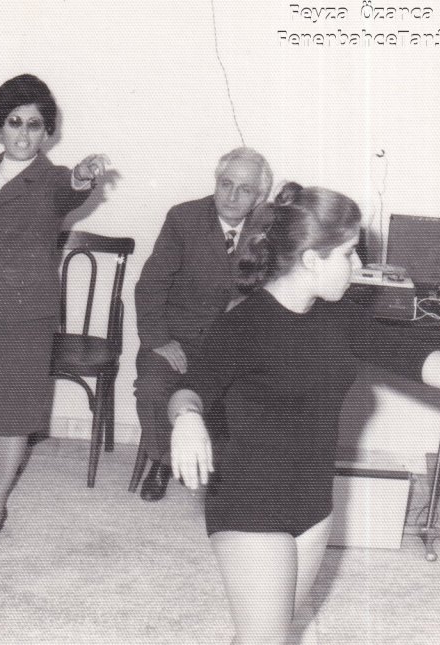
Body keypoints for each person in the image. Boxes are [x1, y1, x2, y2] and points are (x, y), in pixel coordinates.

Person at [167, 183, 440, 645]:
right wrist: (188, 420)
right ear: (312, 260)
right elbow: (188, 389)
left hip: (313, 503)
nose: (359, 266)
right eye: (349, 253)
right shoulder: (242, 325)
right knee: (265, 638)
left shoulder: (339, 316)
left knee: (272, 630)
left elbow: (409, 352)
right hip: (249, 503)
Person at [0, 74, 109, 547]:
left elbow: (71, 189)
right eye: (14, 122)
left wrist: (83, 176)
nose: (24, 134)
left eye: (35, 124)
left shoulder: (53, 179)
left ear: (47, 132)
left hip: (24, 314)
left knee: (13, 411)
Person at [132, 147, 274, 502]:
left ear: (259, 196)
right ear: (216, 182)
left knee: (255, 394)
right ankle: (164, 461)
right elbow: (151, 284)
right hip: (177, 338)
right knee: (151, 386)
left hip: (233, 345)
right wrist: (158, 340)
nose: (232, 196)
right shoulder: (184, 218)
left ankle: (226, 467)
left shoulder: (268, 230)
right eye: (226, 184)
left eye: (244, 189)